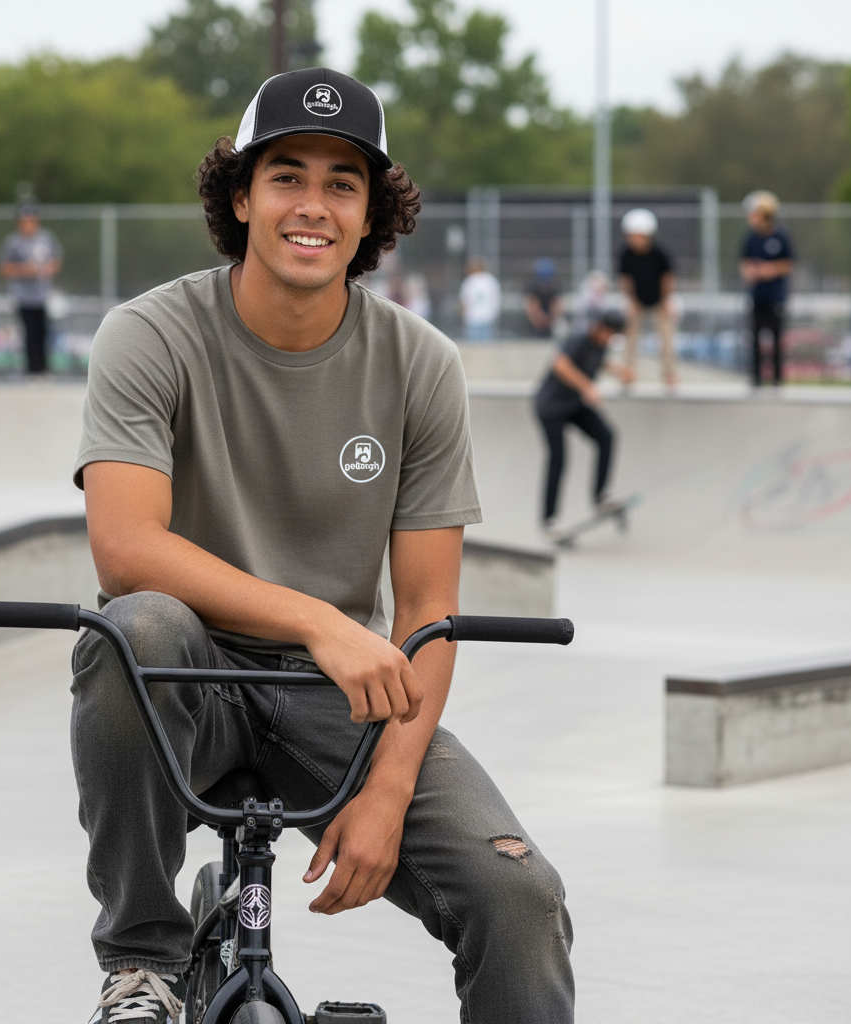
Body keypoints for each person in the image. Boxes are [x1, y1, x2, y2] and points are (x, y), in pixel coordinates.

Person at [72, 67, 574, 1024]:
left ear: (372, 213)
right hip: (189, 680)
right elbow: (126, 549)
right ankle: (142, 961)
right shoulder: (149, 334)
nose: (314, 206)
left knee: (521, 898)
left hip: (342, 698)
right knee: (132, 627)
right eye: (287, 176)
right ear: (240, 196)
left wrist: (387, 791)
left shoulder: (418, 362)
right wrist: (318, 619)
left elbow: (429, 611)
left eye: (343, 184)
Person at [534, 309, 634, 534]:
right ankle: (549, 520)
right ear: (599, 327)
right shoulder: (579, 339)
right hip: (551, 407)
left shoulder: (602, 345)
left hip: (574, 405)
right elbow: (561, 365)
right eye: (610, 333)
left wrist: (620, 371)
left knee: (606, 436)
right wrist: (587, 387)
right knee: (559, 459)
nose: (611, 338)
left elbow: (601, 362)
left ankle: (600, 496)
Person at [0, 200, 63, 376]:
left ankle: (44, 369)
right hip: (23, 296)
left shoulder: (46, 238)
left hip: (42, 295)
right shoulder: (13, 242)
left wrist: (48, 268)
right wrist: (26, 270)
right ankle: (32, 370)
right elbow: (4, 268)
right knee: (29, 333)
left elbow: (56, 260)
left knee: (44, 332)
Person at [739, 190, 794, 386]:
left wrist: (770, 269)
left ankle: (778, 379)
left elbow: (789, 263)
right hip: (757, 295)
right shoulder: (751, 238)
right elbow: (744, 263)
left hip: (775, 296)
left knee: (776, 336)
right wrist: (751, 272)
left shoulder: (780, 237)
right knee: (754, 336)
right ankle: (756, 379)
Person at [617, 208, 677, 387]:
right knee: (630, 338)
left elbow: (667, 279)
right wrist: (631, 301)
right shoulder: (626, 254)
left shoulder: (659, 254)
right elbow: (625, 280)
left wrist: (666, 301)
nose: (634, 239)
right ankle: (628, 373)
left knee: (666, 338)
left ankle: (669, 375)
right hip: (637, 300)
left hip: (659, 300)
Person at [458, 258, 501, 341]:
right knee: (486, 344)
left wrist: (462, 314)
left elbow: (464, 300)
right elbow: (496, 299)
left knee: (473, 345)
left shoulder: (469, 281)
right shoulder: (491, 280)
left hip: (472, 317)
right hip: (487, 316)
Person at [524, 257, 562, 338]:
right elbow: (531, 306)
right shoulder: (532, 285)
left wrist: (551, 320)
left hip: (550, 321)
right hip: (533, 324)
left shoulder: (555, 285)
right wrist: (540, 320)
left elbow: (557, 305)